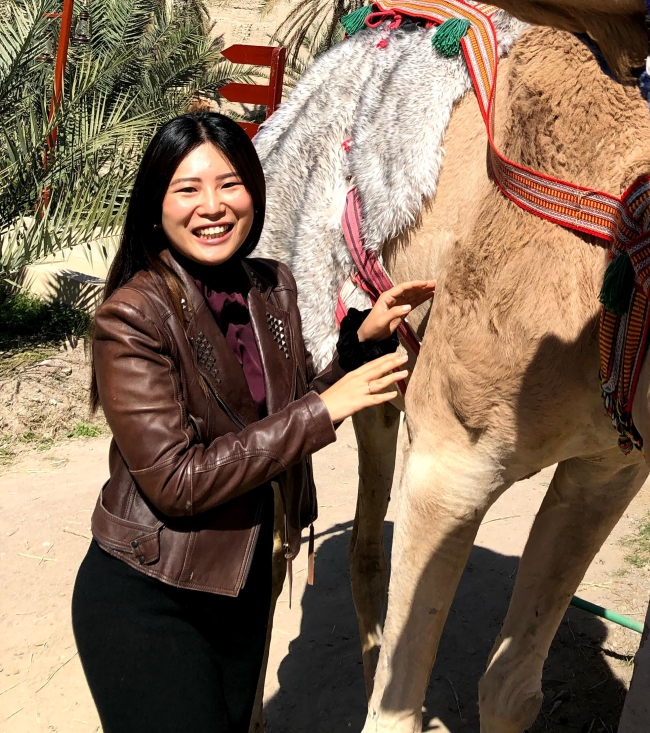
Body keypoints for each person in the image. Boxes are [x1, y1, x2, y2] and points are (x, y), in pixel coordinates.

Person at [71, 112, 433, 733]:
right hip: (153, 591)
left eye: (230, 184)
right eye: (187, 189)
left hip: (240, 583)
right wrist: (328, 408)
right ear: (156, 203)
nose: (212, 206)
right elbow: (177, 482)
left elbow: (283, 416)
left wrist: (359, 347)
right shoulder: (132, 317)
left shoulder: (270, 286)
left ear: (255, 194)